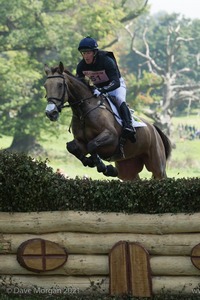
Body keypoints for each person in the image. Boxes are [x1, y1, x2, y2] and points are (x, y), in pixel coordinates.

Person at [76, 36, 136, 143]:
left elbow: (116, 82)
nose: (86, 56)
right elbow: (79, 83)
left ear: (94, 53)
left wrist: (103, 90)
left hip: (115, 85)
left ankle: (129, 126)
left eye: (88, 53)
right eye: (83, 53)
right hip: (98, 88)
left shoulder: (106, 61)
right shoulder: (81, 66)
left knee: (118, 99)